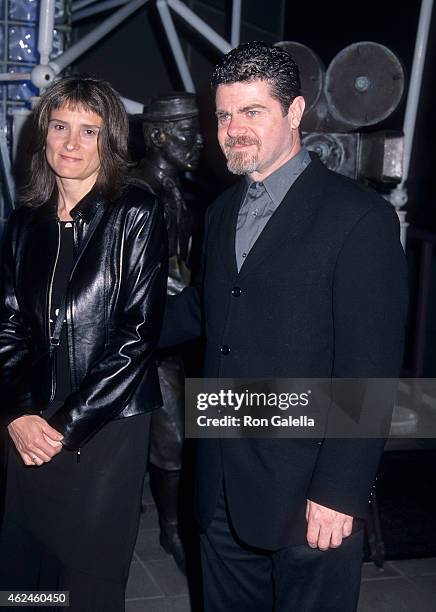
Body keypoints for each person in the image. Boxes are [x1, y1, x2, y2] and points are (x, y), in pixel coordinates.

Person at [160, 41, 408, 611]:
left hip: (308, 491)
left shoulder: (359, 218)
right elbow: (207, 307)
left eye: (252, 112)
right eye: (224, 114)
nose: (232, 129)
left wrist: (339, 492)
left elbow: (368, 369)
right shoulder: (221, 212)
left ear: (295, 113)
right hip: (222, 482)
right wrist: (112, 327)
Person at [0, 75, 168, 611]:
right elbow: (7, 326)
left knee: (86, 579)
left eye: (89, 131)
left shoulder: (136, 212)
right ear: (43, 135)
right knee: (28, 573)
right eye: (60, 126)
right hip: (31, 420)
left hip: (105, 425)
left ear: (110, 140)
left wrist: (63, 426)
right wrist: (19, 412)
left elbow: (136, 337)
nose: (72, 144)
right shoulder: (24, 222)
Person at [130, 92, 203, 573]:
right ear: (157, 135)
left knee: (173, 438)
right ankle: (170, 528)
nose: (198, 141)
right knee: (168, 438)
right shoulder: (135, 194)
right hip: (140, 339)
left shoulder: (184, 193)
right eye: (186, 131)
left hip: (173, 335)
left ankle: (170, 525)